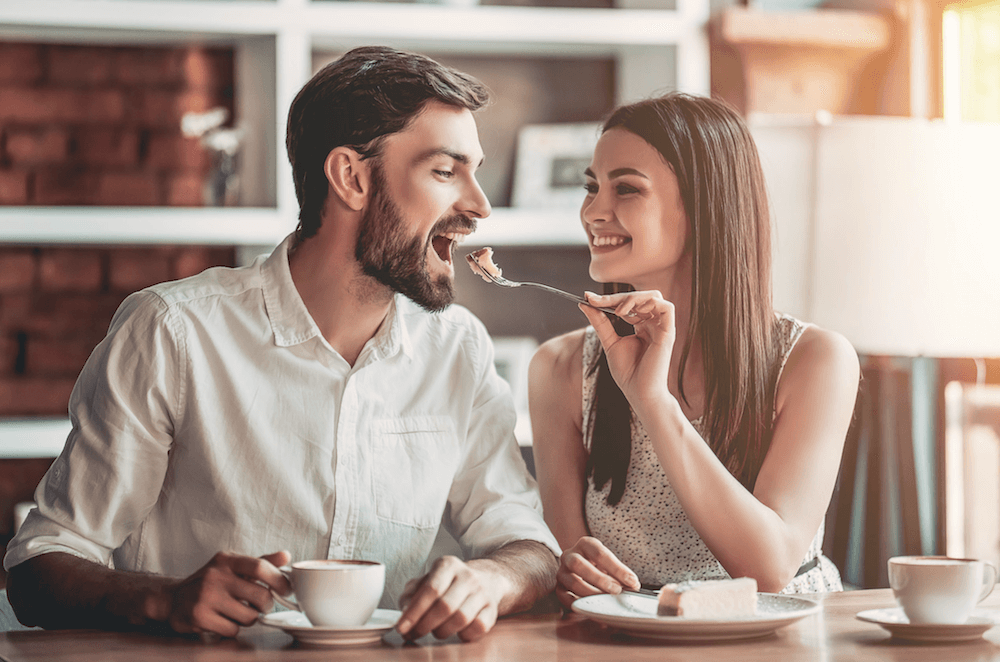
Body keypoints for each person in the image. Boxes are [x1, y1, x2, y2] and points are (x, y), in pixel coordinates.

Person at [4, 46, 559, 641]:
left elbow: (526, 542)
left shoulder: (458, 349)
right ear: (351, 177)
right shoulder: (173, 331)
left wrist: (491, 581)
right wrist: (166, 600)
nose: (479, 206)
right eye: (446, 172)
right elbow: (38, 568)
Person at [528, 93, 860, 608]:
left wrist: (653, 401)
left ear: (706, 206)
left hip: (777, 638)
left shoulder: (814, 360)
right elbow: (576, 571)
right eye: (591, 187)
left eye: (627, 189)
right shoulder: (561, 368)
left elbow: (769, 568)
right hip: (626, 637)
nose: (594, 211)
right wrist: (568, 570)